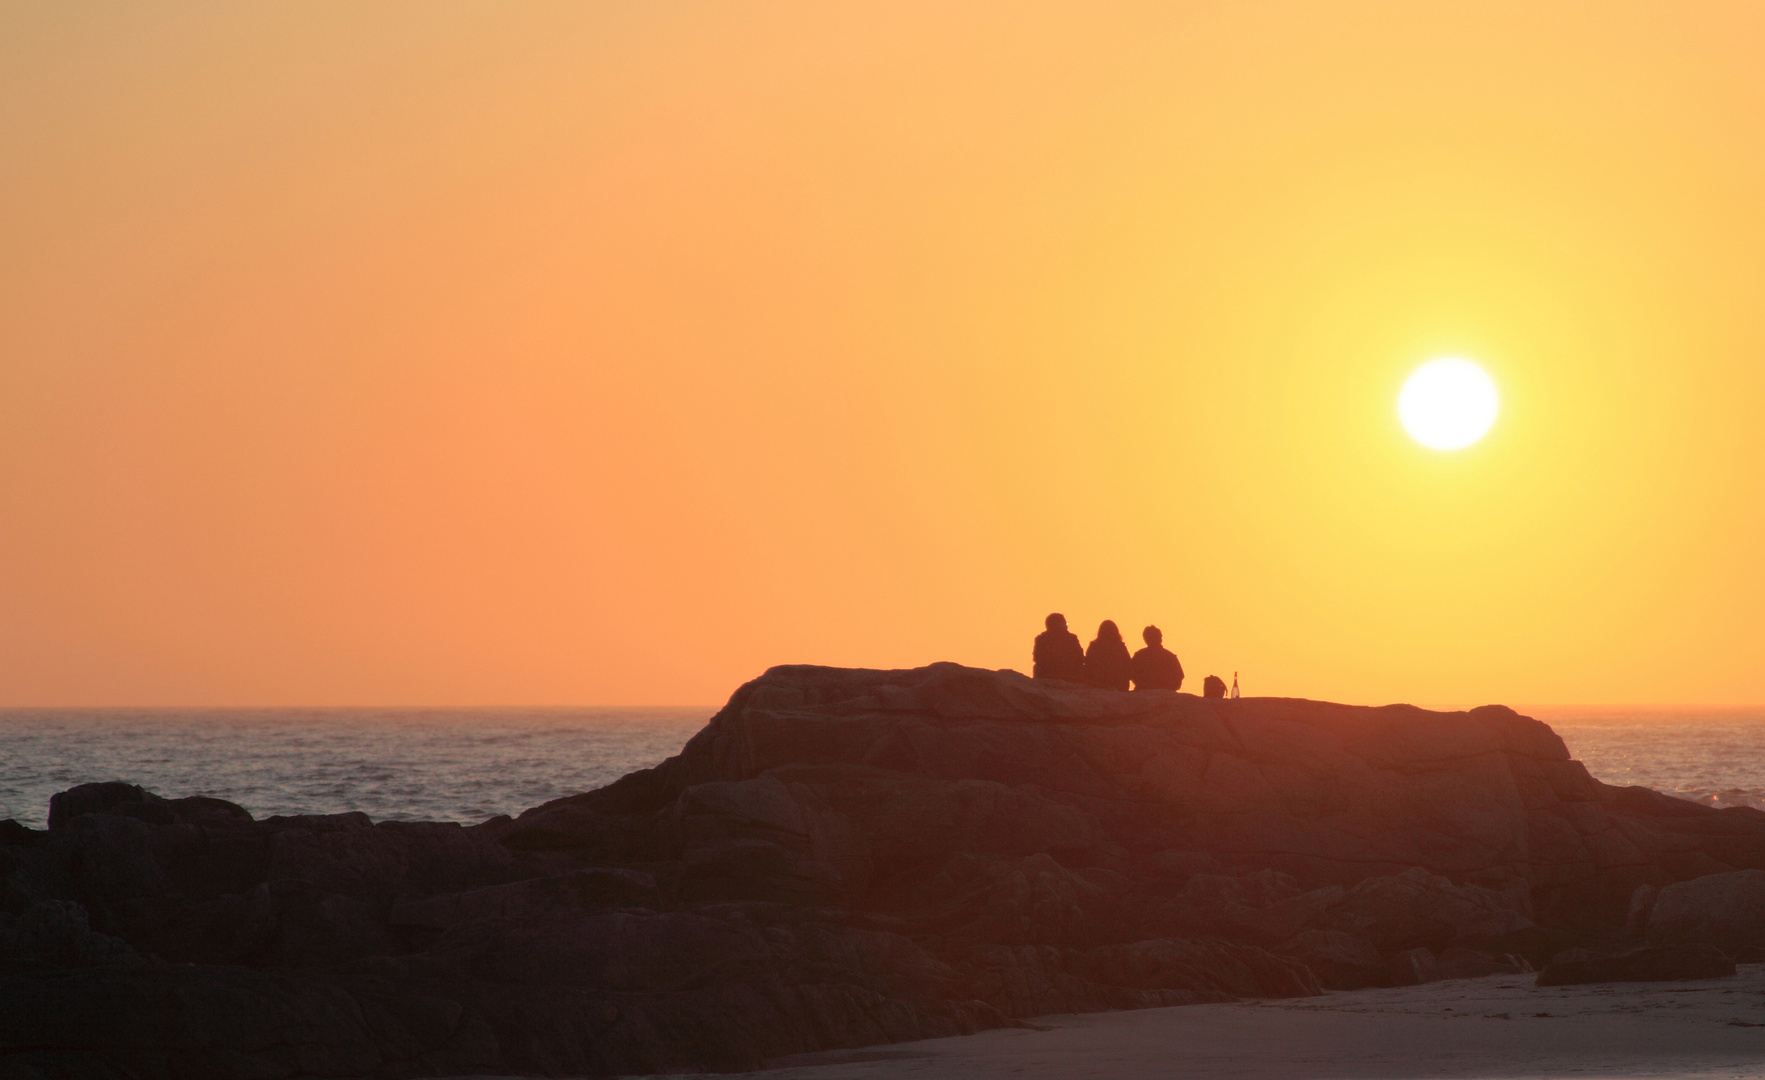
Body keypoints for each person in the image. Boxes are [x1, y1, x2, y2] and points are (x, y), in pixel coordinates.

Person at [1032, 613, 1086, 682]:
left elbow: (1036, 658)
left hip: (1049, 675)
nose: (1067, 626)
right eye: (1065, 624)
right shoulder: (1071, 639)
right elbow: (1079, 658)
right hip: (1067, 676)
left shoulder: (1041, 639)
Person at [1129, 625, 1184, 691]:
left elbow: (1131, 674)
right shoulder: (1170, 657)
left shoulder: (1139, 656)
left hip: (1147, 694)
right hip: (1162, 695)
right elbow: (1178, 677)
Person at [1084, 620, 1133, 691]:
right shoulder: (1120, 648)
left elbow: (1088, 667)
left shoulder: (1094, 647)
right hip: (1118, 686)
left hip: (1097, 685)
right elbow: (1128, 668)